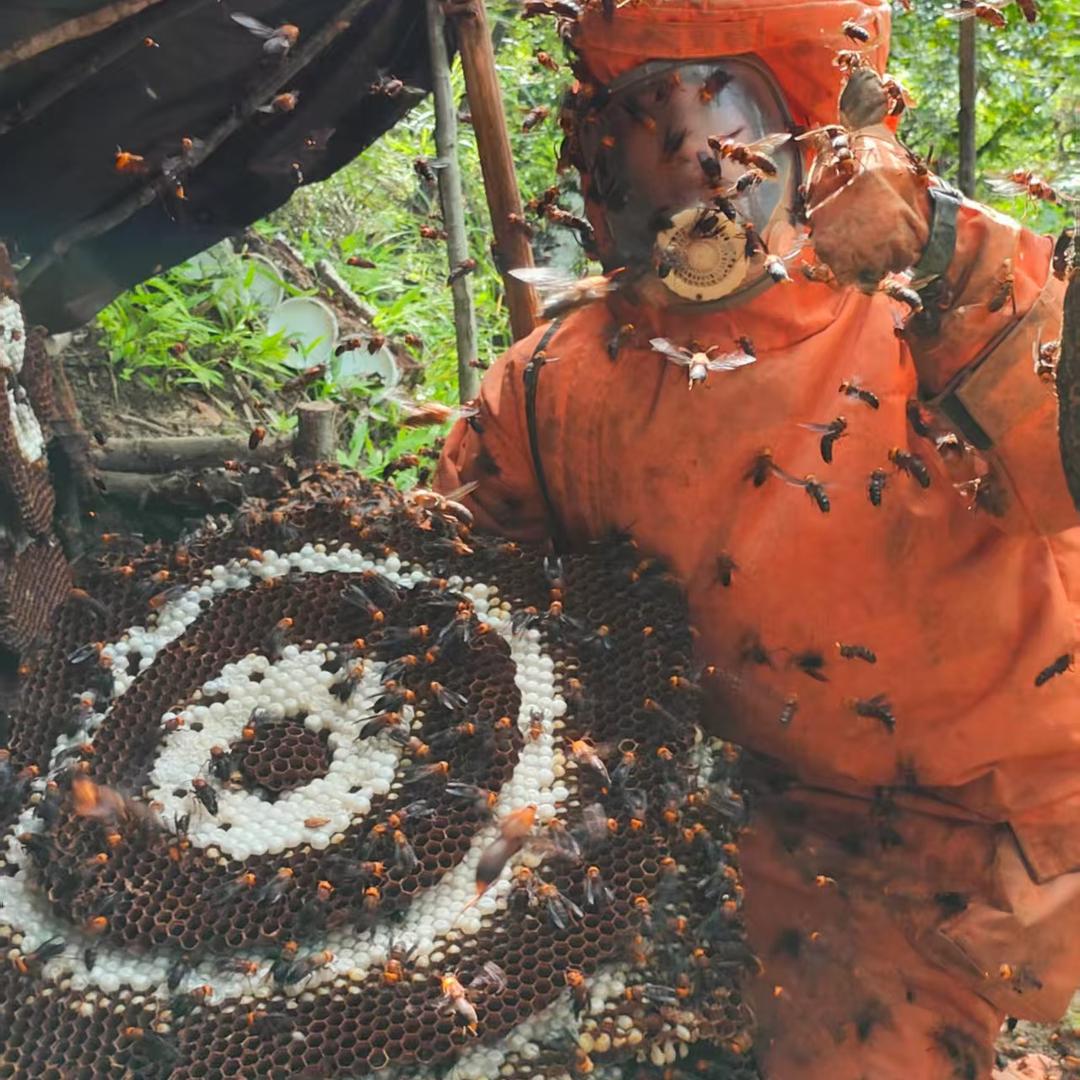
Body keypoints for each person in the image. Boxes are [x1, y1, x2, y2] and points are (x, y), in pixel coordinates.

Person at [436, 1, 1078, 1076]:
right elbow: (453, 596)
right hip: (770, 827)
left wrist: (944, 241)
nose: (695, 157)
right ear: (602, 152)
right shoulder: (557, 383)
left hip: (998, 815)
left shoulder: (935, 304)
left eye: (728, 111)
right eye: (652, 116)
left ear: (806, 130)